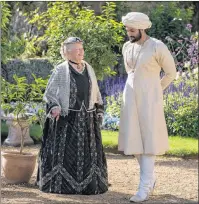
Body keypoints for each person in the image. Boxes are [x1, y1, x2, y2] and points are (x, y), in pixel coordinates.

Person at [36, 37, 108, 195]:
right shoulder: (61, 70)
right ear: (68, 53)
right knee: (66, 153)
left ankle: (89, 185)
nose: (81, 52)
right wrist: (54, 107)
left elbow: (95, 92)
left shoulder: (88, 68)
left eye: (82, 49)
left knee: (89, 153)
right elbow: (49, 93)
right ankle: (62, 186)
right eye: (77, 50)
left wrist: (98, 109)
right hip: (66, 120)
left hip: (87, 119)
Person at [118, 12, 176, 202]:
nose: (129, 33)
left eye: (132, 30)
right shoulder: (127, 47)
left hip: (150, 101)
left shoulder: (157, 46)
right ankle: (150, 179)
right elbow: (131, 73)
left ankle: (144, 187)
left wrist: (155, 90)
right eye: (127, 29)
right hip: (130, 99)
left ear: (143, 28)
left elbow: (170, 73)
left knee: (148, 142)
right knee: (133, 141)